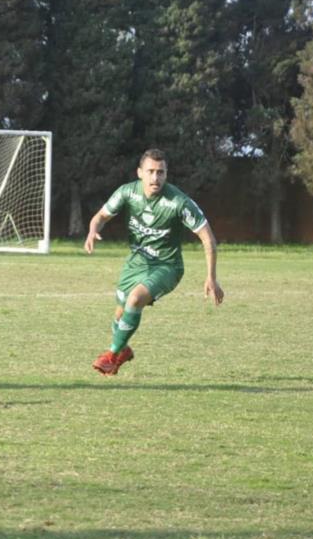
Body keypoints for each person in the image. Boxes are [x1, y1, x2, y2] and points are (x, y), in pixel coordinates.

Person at [84, 148, 224, 376]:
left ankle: (110, 355)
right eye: (150, 171)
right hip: (136, 263)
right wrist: (92, 231)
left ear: (166, 175)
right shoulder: (127, 193)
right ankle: (124, 351)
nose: (155, 178)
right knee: (120, 315)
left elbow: (208, 238)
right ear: (140, 173)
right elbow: (100, 216)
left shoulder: (179, 202)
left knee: (135, 299)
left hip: (167, 266)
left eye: (161, 172)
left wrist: (211, 277)